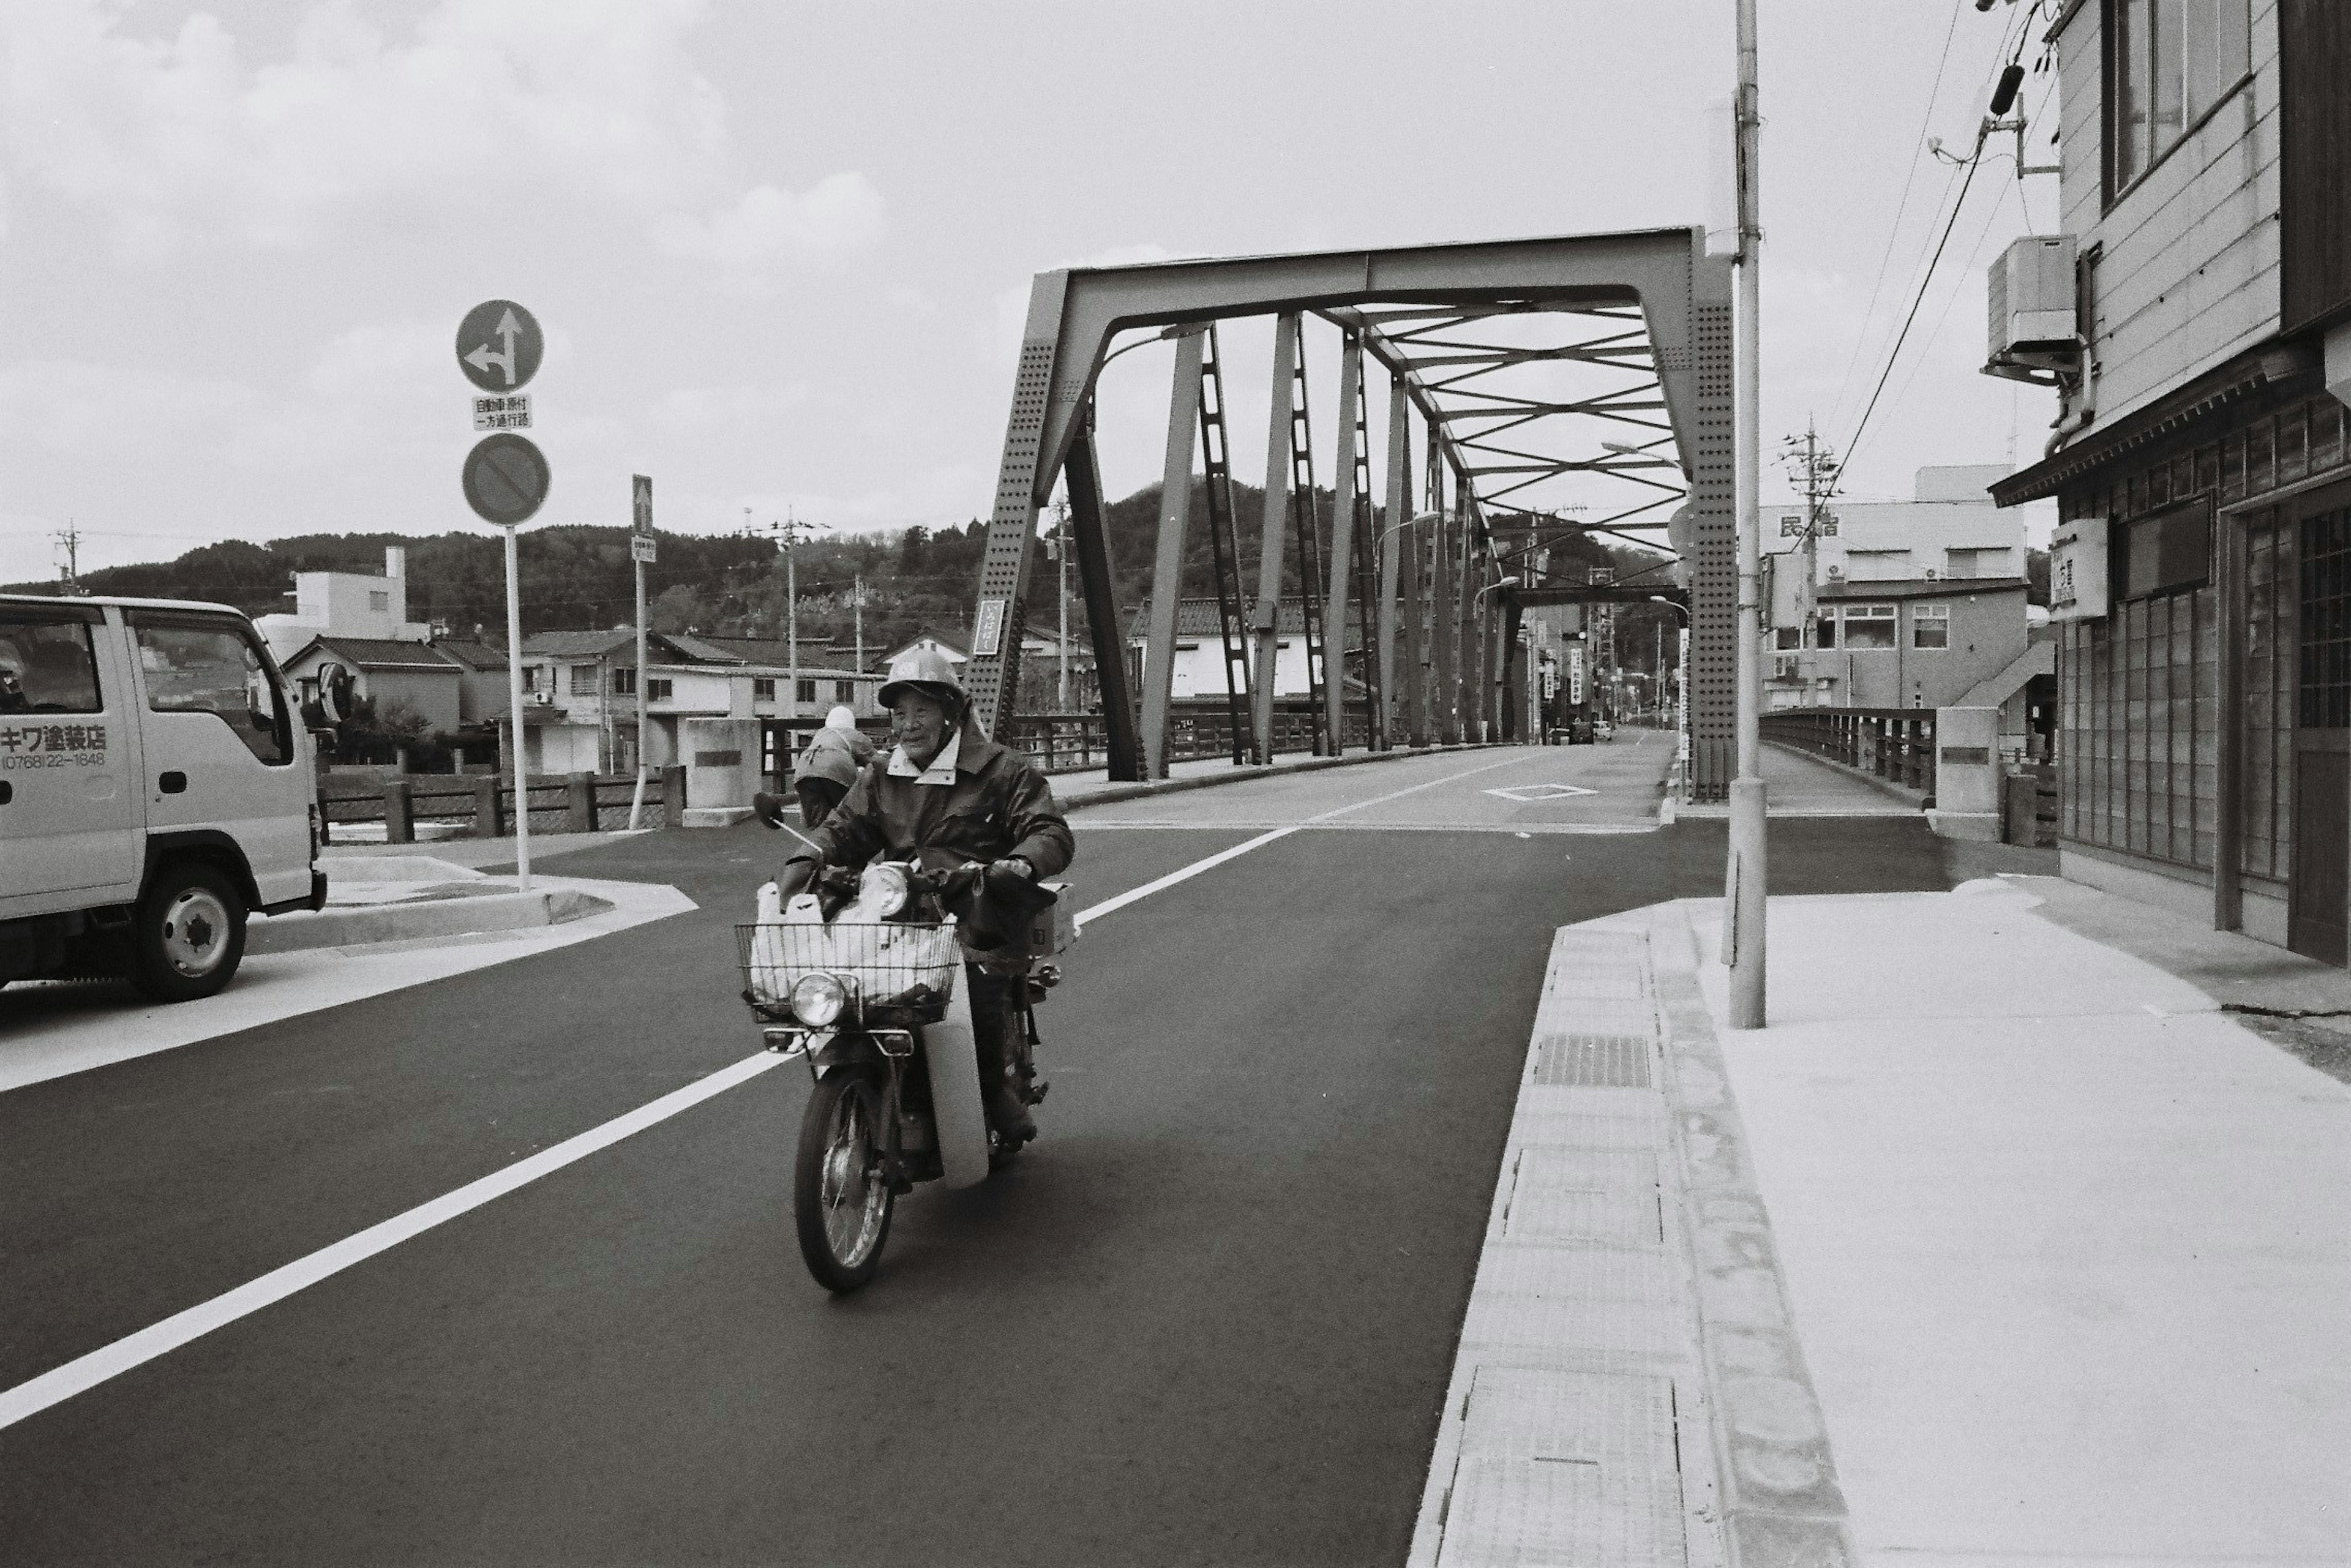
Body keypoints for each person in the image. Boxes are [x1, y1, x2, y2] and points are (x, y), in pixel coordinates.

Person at [778, 647, 1073, 1144]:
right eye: (899, 713)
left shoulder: (1003, 771)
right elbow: (843, 830)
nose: (908, 725)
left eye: (921, 711)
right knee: (850, 986)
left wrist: (1020, 861)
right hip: (902, 917)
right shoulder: (880, 776)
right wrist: (807, 859)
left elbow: (1050, 830)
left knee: (974, 988)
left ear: (950, 713)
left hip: (981, 916)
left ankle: (990, 1088)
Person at [794, 704, 873, 830]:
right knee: (845, 815)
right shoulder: (854, 735)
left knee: (818, 820)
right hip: (836, 767)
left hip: (805, 768)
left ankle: (818, 844)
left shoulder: (820, 733)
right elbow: (875, 761)